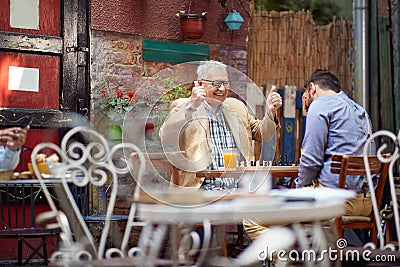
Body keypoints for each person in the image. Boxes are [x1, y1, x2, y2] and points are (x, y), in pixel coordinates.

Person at [244, 69, 376, 240]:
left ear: (312, 89)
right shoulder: (360, 110)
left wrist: (300, 188)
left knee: (251, 219)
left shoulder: (321, 105)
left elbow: (310, 162)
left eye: (305, 96)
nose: (305, 102)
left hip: (333, 202)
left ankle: (287, 260)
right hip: (365, 203)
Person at [160, 60, 282, 189]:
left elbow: (263, 134)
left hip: (239, 189)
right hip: (201, 192)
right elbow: (166, 137)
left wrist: (270, 111)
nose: (222, 89)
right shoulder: (184, 106)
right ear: (200, 84)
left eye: (225, 83)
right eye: (216, 83)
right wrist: (191, 107)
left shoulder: (236, 106)